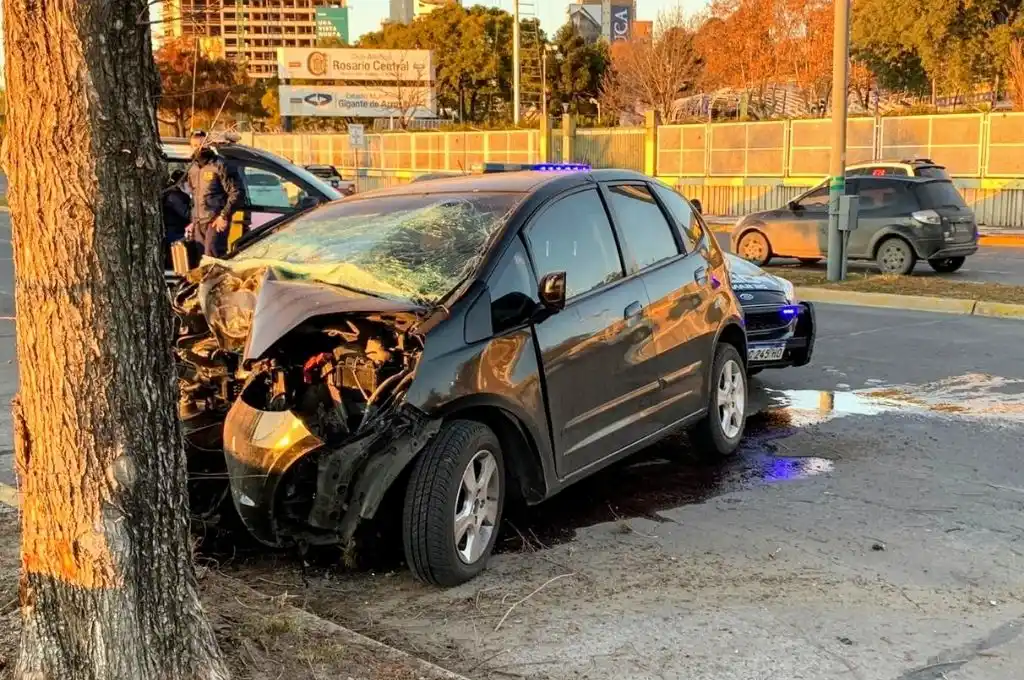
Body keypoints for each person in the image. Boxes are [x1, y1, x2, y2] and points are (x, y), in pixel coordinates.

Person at [186, 130, 242, 258]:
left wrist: (224, 216)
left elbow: (236, 193)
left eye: (202, 144)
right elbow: (194, 195)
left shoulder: (220, 165)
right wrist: (192, 221)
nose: (199, 148)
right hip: (198, 222)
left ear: (208, 144)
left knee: (212, 257)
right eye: (195, 145)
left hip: (215, 220)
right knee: (201, 261)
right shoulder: (192, 168)